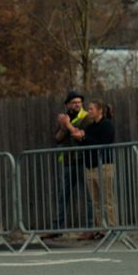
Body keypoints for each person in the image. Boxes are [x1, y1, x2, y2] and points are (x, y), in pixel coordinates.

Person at [52, 92, 89, 231]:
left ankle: (90, 227)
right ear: (67, 104)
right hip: (68, 161)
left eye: (79, 102)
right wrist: (63, 127)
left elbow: (78, 135)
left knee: (88, 195)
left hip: (83, 161)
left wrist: (67, 125)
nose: (77, 104)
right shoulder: (65, 118)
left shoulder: (86, 117)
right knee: (63, 195)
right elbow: (58, 138)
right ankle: (56, 228)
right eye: (74, 102)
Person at [83, 98, 118, 233]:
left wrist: (85, 138)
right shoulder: (89, 127)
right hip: (90, 166)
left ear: (100, 111)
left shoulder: (107, 125)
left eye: (91, 109)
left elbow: (102, 142)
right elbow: (85, 143)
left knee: (107, 200)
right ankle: (101, 229)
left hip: (104, 165)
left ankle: (112, 228)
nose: (89, 111)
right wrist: (81, 137)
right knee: (95, 201)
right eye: (89, 108)